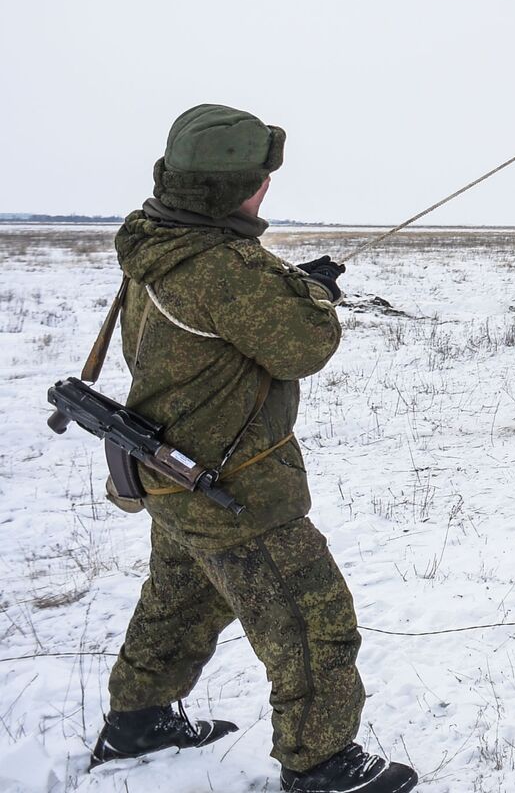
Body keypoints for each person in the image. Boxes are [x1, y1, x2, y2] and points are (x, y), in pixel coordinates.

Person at [90, 104, 416, 793]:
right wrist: (314, 300)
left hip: (169, 473)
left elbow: (228, 316)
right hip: (230, 487)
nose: (267, 184)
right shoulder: (221, 267)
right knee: (311, 621)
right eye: (261, 174)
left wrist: (294, 286)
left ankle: (138, 723)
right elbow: (305, 345)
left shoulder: (159, 240)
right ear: (239, 187)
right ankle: (322, 764)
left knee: (180, 601)